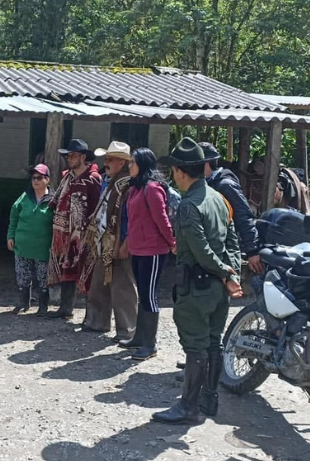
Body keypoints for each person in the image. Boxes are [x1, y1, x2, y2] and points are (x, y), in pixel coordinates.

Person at [152, 138, 243, 424]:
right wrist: (232, 273)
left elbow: (201, 249)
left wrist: (226, 273)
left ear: (180, 171)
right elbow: (232, 240)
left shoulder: (190, 205)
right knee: (213, 343)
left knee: (196, 346)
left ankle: (188, 406)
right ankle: (208, 399)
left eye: (174, 171)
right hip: (219, 287)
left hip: (198, 285)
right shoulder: (218, 198)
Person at [119, 147, 176, 360]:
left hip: (153, 250)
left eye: (132, 162)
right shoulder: (136, 188)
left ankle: (150, 344)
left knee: (149, 295)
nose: (129, 166)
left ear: (142, 164)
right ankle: (139, 338)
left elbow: (162, 219)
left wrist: (172, 242)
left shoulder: (152, 189)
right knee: (142, 294)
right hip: (138, 249)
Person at [79, 141, 137, 341]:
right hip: (103, 239)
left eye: (110, 159)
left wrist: (126, 241)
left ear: (122, 163)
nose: (107, 163)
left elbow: (130, 216)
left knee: (122, 287)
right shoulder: (110, 182)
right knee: (98, 282)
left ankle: (127, 330)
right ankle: (97, 322)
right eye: (106, 159)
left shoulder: (128, 186)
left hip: (118, 240)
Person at [46, 139, 102, 319]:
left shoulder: (93, 180)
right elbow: (56, 202)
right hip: (63, 233)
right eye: (68, 155)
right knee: (66, 269)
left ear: (83, 157)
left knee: (86, 270)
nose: (69, 159)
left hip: (84, 234)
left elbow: (96, 206)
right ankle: (65, 308)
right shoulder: (67, 178)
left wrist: (89, 231)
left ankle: (91, 315)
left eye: (73, 155)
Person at [198, 142, 262, 274]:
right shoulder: (204, 185)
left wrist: (252, 251)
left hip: (225, 251)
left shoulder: (225, 185)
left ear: (205, 163)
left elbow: (243, 216)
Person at [7, 164, 55, 315]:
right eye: (34, 178)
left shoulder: (54, 200)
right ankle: (23, 303)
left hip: (43, 245)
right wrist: (10, 235)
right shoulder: (24, 197)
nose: (36, 181)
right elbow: (13, 217)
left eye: (40, 178)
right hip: (22, 244)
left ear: (47, 179)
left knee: (43, 276)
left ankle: (43, 306)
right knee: (23, 274)